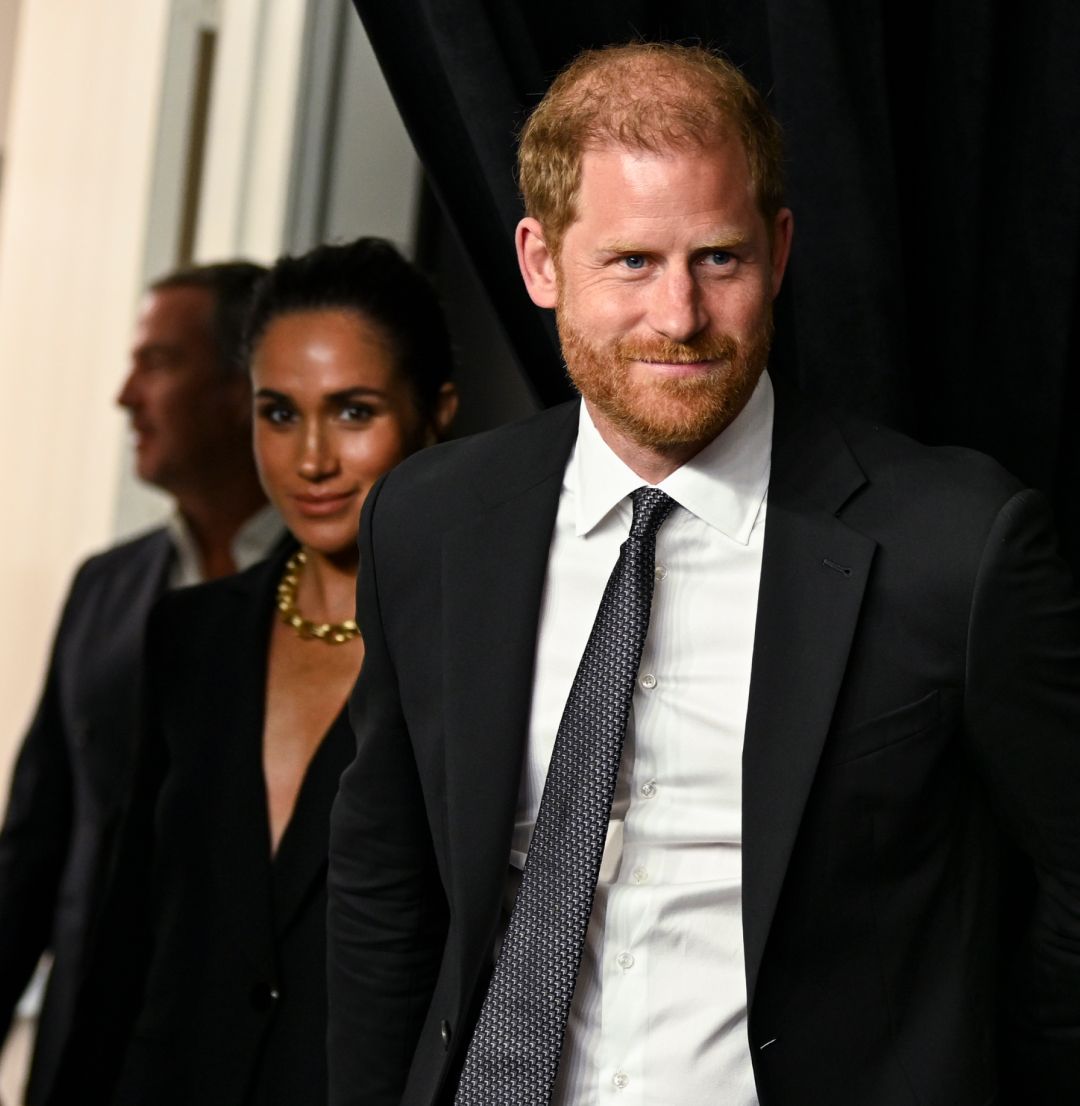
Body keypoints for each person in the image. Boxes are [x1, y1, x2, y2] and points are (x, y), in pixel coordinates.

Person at [326, 42, 1080, 1106]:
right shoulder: (434, 520)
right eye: (632, 261)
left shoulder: (955, 544)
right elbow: (384, 885)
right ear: (541, 263)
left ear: (777, 248)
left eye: (717, 259)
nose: (679, 317)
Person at [69, 237, 458, 1106]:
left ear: (437, 413)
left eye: (354, 411)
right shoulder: (190, 634)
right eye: (278, 413)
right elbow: (126, 930)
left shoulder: (479, 658)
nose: (312, 458)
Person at [0, 260, 282, 1106]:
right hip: (83, 1061)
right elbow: (35, 846)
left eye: (159, 363)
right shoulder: (105, 586)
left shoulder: (349, 593)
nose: (127, 395)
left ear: (242, 389)